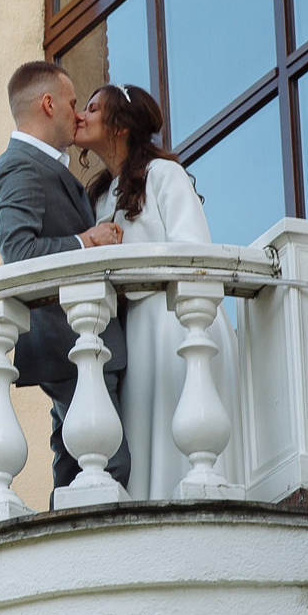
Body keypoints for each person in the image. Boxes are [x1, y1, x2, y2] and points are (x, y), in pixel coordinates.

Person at [68, 82, 229, 499]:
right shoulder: (101, 195)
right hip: (134, 332)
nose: (81, 116)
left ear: (120, 125)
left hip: (173, 322)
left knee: (179, 425)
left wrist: (125, 253)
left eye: (92, 108)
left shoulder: (164, 174)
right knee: (142, 429)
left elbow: (195, 250)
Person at [0, 59, 132, 491]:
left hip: (74, 342)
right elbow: (20, 252)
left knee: (74, 472)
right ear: (48, 104)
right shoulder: (20, 167)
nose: (77, 113)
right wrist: (88, 241)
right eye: (70, 103)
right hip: (70, 342)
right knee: (107, 466)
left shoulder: (39, 167)